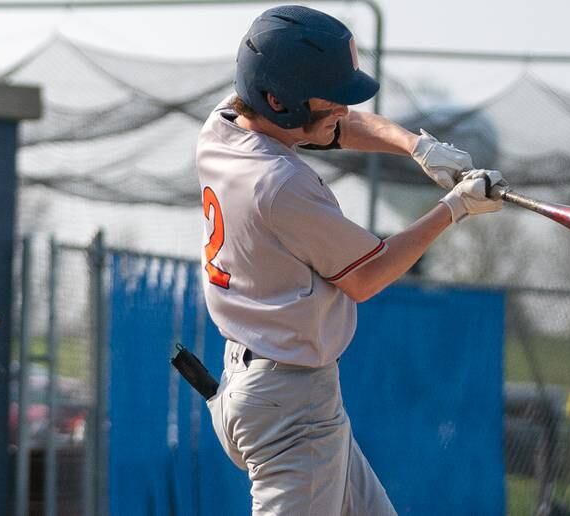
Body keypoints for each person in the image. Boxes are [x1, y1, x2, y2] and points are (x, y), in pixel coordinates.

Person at [196, 5, 504, 515]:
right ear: (279, 100)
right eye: (330, 96)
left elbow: (336, 126)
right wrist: (454, 209)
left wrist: (416, 145)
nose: (343, 106)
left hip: (269, 388)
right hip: (291, 410)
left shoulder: (224, 125)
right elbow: (368, 274)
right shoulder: (280, 184)